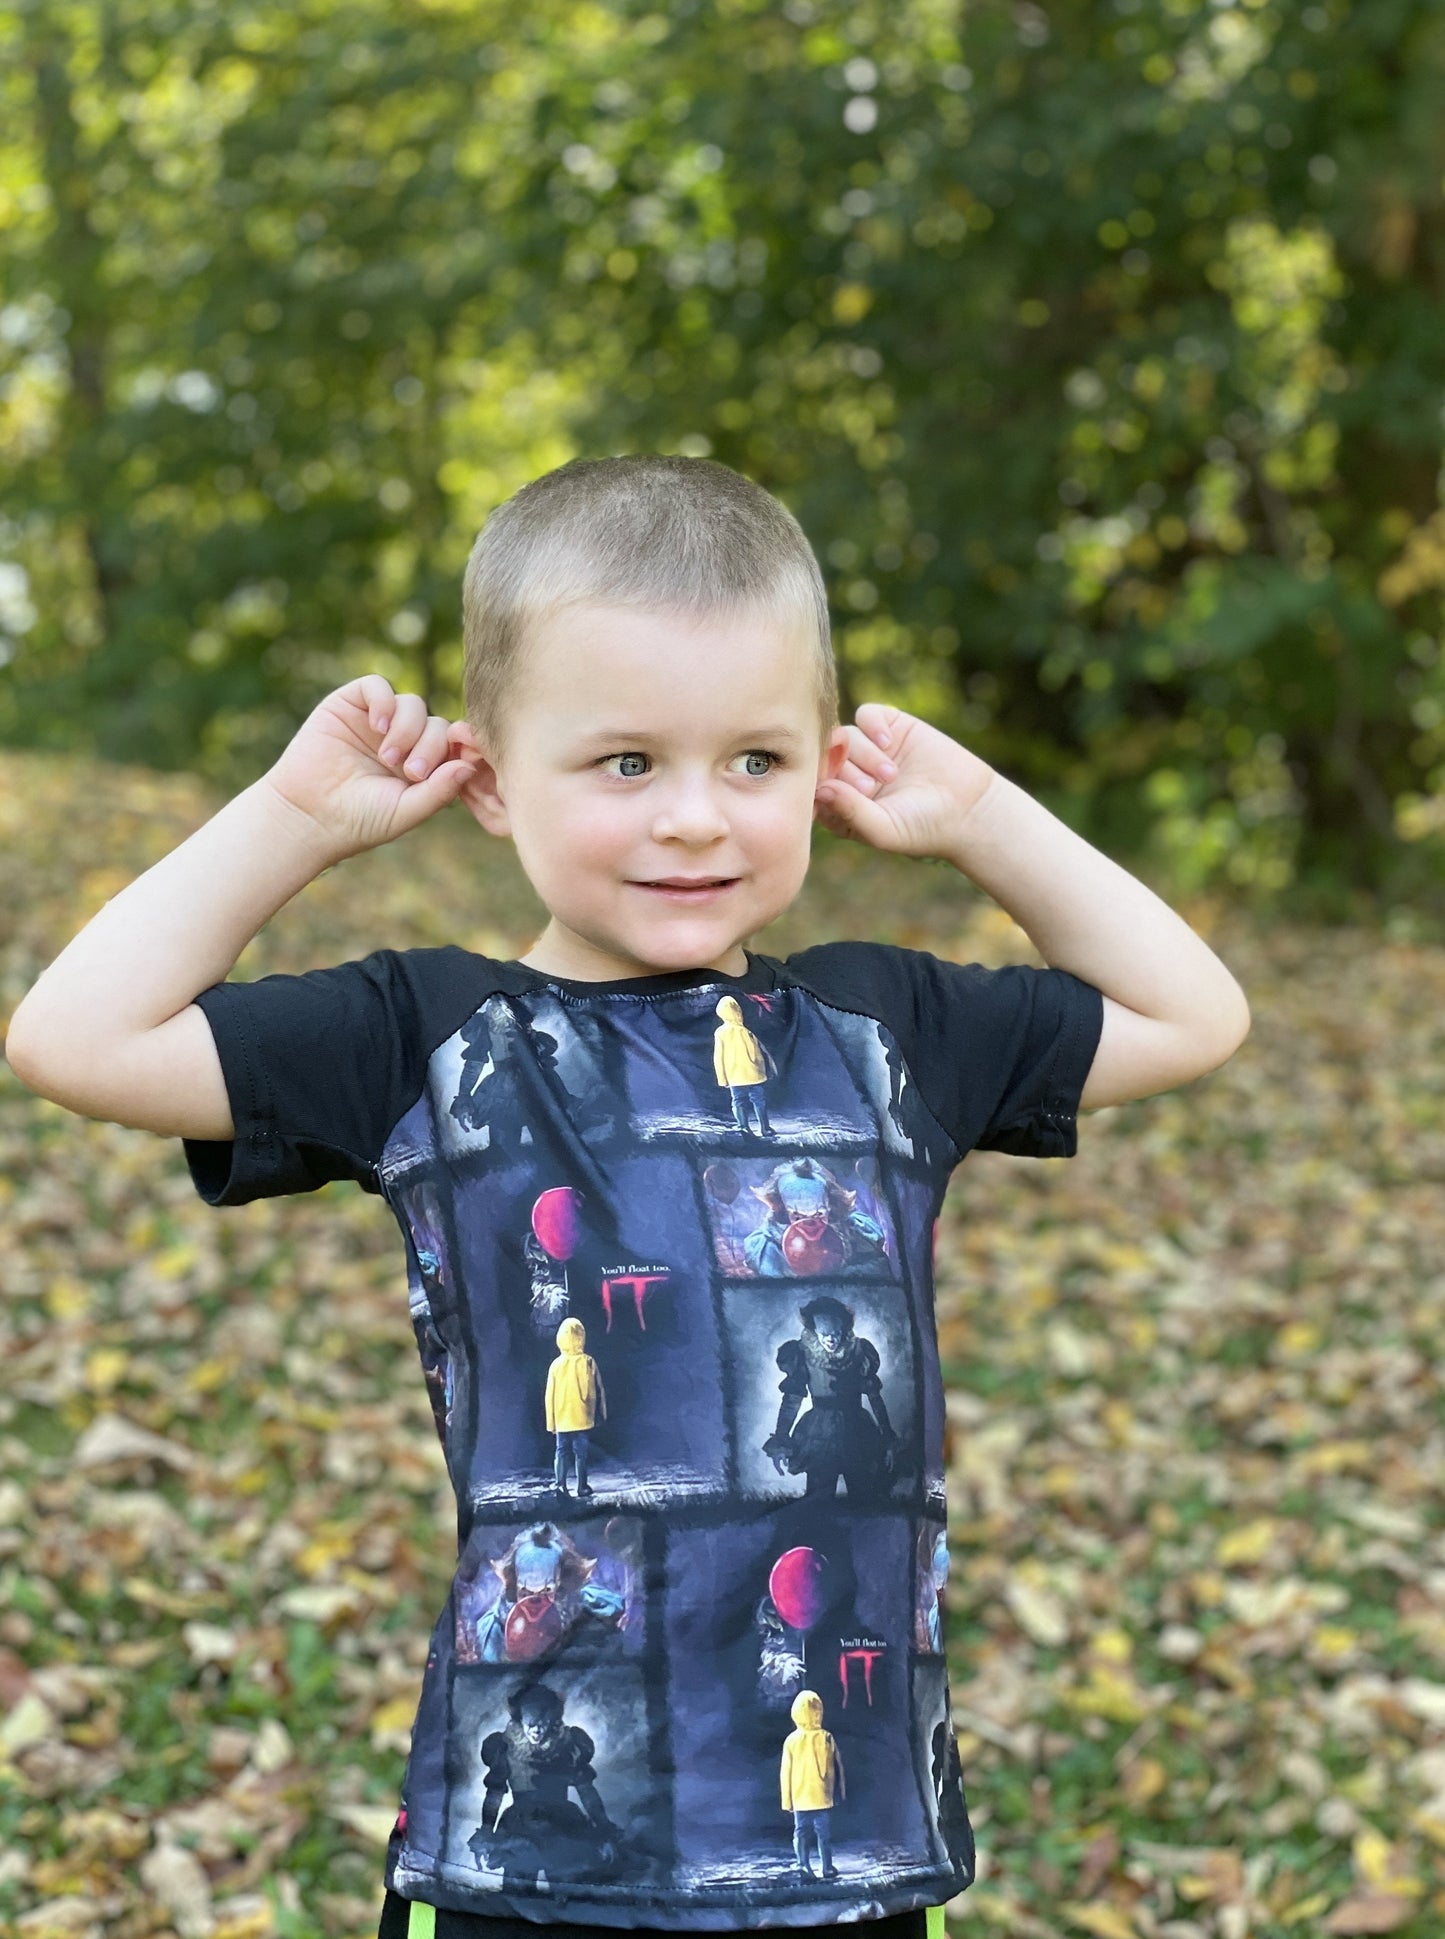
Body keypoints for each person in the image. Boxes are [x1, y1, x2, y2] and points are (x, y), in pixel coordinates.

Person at [5, 454, 1250, 1939]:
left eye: (756, 761)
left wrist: (984, 816)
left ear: (821, 765)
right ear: (487, 780)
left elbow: (1193, 1013)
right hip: (532, 1869)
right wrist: (294, 818)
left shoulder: (885, 1031)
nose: (697, 820)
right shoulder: (432, 1039)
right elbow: (76, 1039)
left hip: (847, 1853)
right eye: (626, 764)